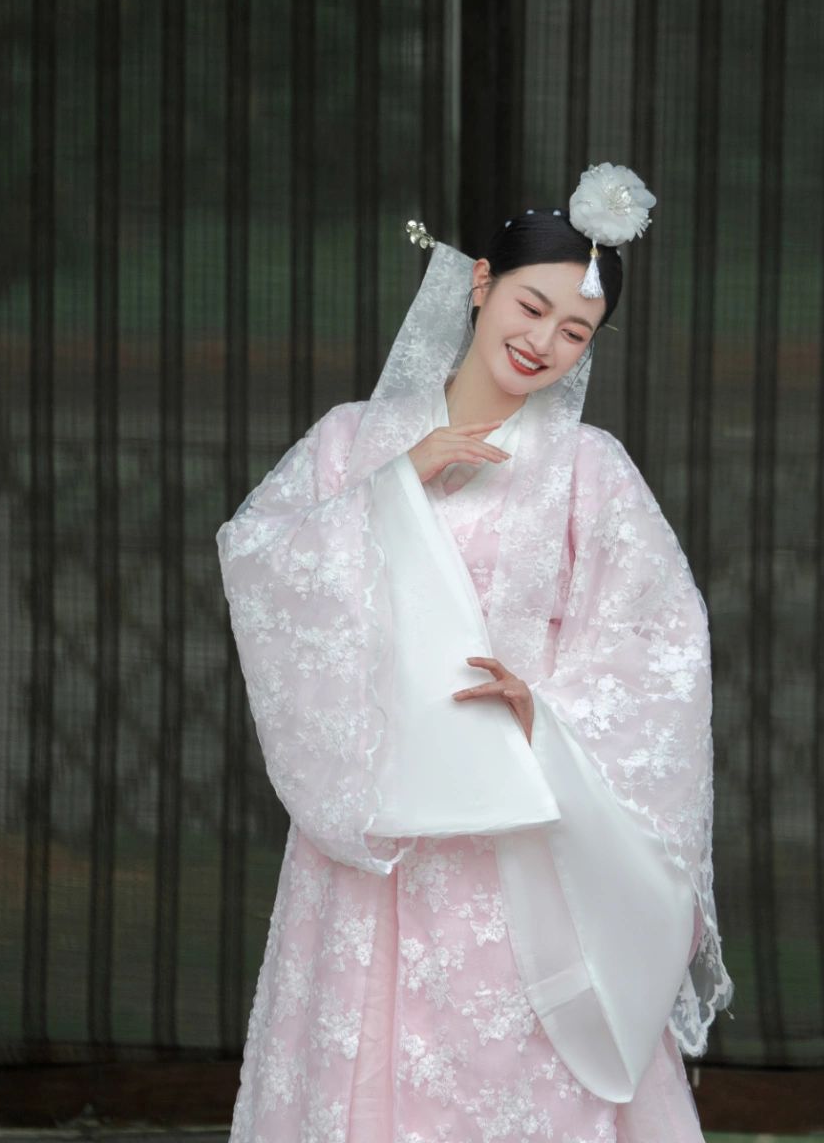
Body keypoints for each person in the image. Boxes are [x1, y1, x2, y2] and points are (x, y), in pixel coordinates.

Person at [219, 164, 729, 1143]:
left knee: (511, 1074)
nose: (543, 342)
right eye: (531, 307)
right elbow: (260, 560)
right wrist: (398, 483)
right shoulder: (351, 442)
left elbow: (663, 640)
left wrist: (548, 710)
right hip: (378, 828)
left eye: (575, 331)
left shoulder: (591, 469)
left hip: (517, 823)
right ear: (481, 283)